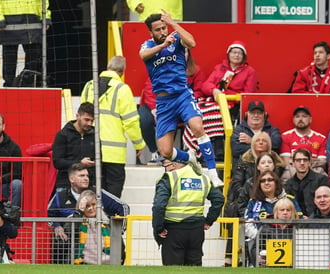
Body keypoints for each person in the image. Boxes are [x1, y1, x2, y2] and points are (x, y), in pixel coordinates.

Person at [140, 11, 223, 187]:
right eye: (158, 30)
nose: (163, 32)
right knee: (166, 152)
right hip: (163, 102)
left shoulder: (176, 38)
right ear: (151, 33)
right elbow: (143, 55)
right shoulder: (147, 45)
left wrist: (173, 23)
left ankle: (212, 173)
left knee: (197, 127)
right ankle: (189, 156)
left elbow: (192, 43)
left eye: (164, 28)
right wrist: (162, 46)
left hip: (182, 95)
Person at [81, 56, 145, 198]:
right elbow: (131, 121)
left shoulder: (89, 86)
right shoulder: (122, 89)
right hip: (114, 155)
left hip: (90, 149)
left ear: (108, 68)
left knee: (91, 192)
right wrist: (138, 144)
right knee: (113, 196)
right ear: (122, 73)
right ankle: (110, 220)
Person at [47, 163, 129, 264]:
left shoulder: (98, 193)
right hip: (71, 239)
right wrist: (56, 226)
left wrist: (118, 231)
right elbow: (48, 215)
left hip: (99, 237)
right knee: (60, 241)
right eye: (82, 176)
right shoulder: (60, 196)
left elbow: (123, 207)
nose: (86, 178)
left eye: (87, 176)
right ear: (71, 179)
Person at [152, 159, 224, 266]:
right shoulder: (203, 178)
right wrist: (209, 220)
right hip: (196, 231)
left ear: (174, 165)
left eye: (166, 165)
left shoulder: (170, 178)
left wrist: (158, 228)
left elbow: (158, 206)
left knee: (173, 270)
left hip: (173, 230)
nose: (165, 169)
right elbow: (219, 199)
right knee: (194, 268)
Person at [223, 150, 286, 266]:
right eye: (263, 162)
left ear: (274, 165)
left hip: (276, 228)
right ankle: (230, 260)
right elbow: (242, 205)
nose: (266, 165)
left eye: (269, 162)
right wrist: (250, 220)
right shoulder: (249, 184)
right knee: (239, 229)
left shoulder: (282, 186)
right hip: (253, 224)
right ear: (257, 166)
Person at [244, 171, 302, 266]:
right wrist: (259, 235)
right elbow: (248, 223)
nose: (266, 183)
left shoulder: (289, 198)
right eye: (263, 181)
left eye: (270, 180)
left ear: (276, 182)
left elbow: (299, 219)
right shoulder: (253, 201)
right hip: (261, 240)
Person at [0, 0, 51, 87]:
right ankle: (9, 85)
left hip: (33, 22)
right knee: (10, 58)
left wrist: (45, 16)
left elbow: (43, 2)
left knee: (34, 56)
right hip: (8, 23)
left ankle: (27, 83)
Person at [201, 40, 257, 123]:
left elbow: (247, 94)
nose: (236, 55)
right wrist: (214, 90)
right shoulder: (219, 68)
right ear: (229, 54)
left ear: (244, 56)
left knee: (216, 112)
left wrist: (225, 95)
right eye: (234, 52)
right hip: (216, 100)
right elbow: (205, 85)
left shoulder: (249, 71)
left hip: (233, 104)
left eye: (240, 53)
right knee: (199, 110)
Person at [52, 102, 95, 193]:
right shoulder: (62, 135)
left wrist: (95, 183)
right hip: (65, 184)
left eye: (92, 120)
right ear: (77, 116)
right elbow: (57, 162)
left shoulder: (94, 135)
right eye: (86, 120)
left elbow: (99, 162)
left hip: (89, 185)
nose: (89, 123)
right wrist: (80, 163)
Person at [230, 100, 282, 169]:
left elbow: (276, 144)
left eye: (259, 113)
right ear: (246, 114)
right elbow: (236, 149)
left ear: (265, 115)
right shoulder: (239, 130)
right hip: (244, 170)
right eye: (252, 113)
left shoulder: (273, 130)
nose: (256, 115)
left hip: (269, 171)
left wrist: (252, 141)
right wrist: (263, 145)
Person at [285, 148, 330, 217]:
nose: (302, 163)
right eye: (298, 160)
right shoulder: (289, 184)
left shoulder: (321, 180)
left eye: (305, 160)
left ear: (309, 162)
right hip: (295, 222)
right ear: (293, 163)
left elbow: (327, 204)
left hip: (318, 221)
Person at [280, 106, 327, 170]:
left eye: (304, 116)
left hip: (315, 174)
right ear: (293, 119)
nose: (300, 119)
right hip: (292, 174)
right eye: (297, 116)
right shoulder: (285, 136)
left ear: (310, 119)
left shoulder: (321, 138)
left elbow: (321, 164)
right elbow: (286, 164)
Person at [72, 190, 111, 265]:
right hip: (83, 263)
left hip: (106, 262)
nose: (91, 208)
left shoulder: (107, 222)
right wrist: (79, 211)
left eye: (93, 204)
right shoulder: (75, 219)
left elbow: (119, 244)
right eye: (87, 206)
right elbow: (69, 231)